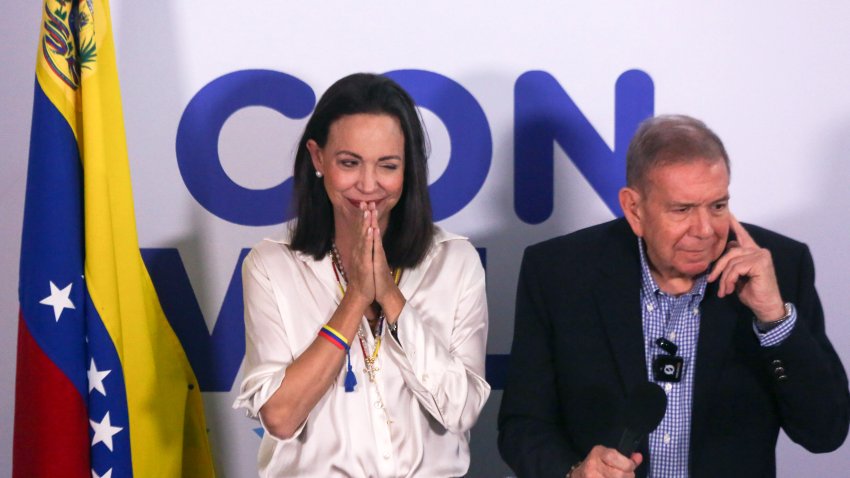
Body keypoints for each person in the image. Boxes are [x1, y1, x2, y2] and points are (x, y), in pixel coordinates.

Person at [498, 114, 849, 478]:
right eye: (682, 210)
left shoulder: (780, 267)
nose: (705, 230)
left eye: (717, 206)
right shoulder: (560, 273)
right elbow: (522, 425)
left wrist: (773, 318)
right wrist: (572, 472)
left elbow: (825, 433)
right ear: (635, 209)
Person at [233, 73, 490, 477]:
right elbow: (279, 417)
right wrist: (355, 299)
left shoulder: (454, 261)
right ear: (318, 158)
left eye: (387, 165)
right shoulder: (272, 265)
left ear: (409, 169)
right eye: (349, 163)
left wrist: (389, 295)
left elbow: (461, 409)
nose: (368, 185)